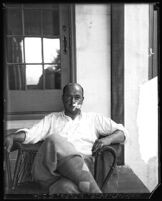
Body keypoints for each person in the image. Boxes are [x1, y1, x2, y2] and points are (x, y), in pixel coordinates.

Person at [5, 83, 127, 194]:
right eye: (68, 97)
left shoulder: (94, 119)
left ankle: (87, 189)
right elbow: (31, 134)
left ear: (82, 100)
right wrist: (13, 136)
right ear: (63, 98)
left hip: (81, 172)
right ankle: (96, 193)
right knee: (54, 139)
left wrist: (107, 140)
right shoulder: (52, 119)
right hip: (53, 172)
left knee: (65, 188)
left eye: (77, 97)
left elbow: (122, 132)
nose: (73, 101)